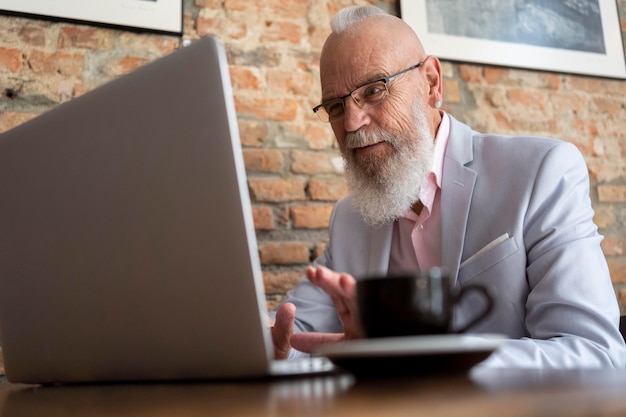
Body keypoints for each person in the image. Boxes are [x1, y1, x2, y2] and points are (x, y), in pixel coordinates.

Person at [270, 5, 626, 368]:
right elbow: (292, 330)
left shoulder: (542, 172)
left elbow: (594, 352)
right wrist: (263, 341)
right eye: (334, 106)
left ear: (431, 83)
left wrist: (420, 359)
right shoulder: (348, 218)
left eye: (375, 90)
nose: (352, 123)